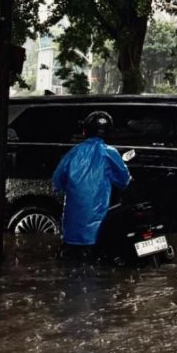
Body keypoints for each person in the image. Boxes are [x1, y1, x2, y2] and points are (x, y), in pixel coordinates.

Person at [53, 111, 131, 259]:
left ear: (86, 131)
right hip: (96, 229)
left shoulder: (73, 152)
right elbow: (124, 180)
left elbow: (57, 180)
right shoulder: (109, 153)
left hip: (71, 231)